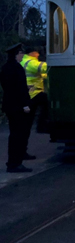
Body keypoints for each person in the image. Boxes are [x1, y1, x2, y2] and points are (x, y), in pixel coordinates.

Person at [0, 43, 33, 172]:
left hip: (9, 105)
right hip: (18, 107)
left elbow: (8, 87)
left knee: (13, 135)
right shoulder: (17, 68)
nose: (22, 57)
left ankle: (12, 162)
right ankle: (16, 163)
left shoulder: (5, 68)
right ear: (16, 55)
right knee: (19, 135)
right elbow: (20, 88)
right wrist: (25, 104)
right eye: (21, 54)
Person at [20, 47, 49, 134]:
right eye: (37, 53)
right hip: (33, 92)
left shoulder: (24, 61)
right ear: (32, 53)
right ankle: (41, 126)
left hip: (30, 92)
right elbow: (42, 67)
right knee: (47, 103)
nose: (38, 55)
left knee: (30, 113)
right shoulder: (30, 62)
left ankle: (30, 128)